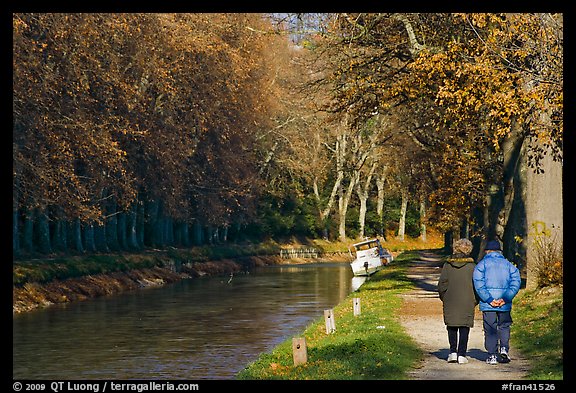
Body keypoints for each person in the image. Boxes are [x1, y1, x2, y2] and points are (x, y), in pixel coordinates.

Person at [473, 239, 521, 365]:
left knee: (490, 328)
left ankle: (492, 355)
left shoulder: (481, 265)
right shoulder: (509, 265)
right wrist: (505, 298)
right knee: (504, 326)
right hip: (504, 303)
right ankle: (504, 348)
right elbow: (515, 282)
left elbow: (479, 284)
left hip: (488, 303)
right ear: (500, 251)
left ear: (487, 251)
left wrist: (489, 299)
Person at [437, 238, 477, 364]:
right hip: (468, 299)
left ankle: (452, 352)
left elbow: (442, 284)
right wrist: (475, 299)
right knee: (464, 326)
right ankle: (462, 354)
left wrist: (444, 297)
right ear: (469, 250)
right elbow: (477, 285)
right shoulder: (472, 267)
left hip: (450, 299)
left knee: (452, 326)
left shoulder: (447, 265)